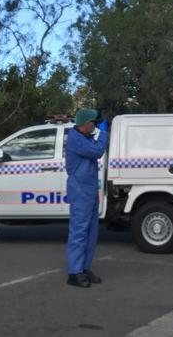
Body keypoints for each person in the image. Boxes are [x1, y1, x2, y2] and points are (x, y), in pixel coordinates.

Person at [65, 108, 109, 288]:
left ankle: (84, 268)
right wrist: (104, 133)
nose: (96, 125)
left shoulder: (84, 137)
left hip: (89, 190)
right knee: (79, 232)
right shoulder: (76, 139)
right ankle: (74, 273)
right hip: (80, 190)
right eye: (94, 123)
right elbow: (98, 151)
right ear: (86, 123)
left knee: (91, 232)